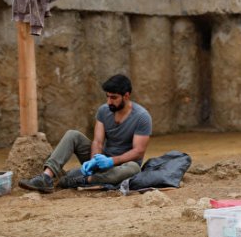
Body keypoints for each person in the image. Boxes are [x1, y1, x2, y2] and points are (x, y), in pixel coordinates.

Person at [19, 74, 152, 193]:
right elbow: (97, 142)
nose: (109, 102)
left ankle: (82, 180)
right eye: (107, 97)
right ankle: (47, 177)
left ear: (126, 96)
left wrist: (111, 161)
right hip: (102, 161)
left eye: (114, 98)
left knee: (133, 169)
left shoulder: (142, 117)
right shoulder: (103, 111)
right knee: (72, 135)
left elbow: (138, 151)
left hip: (124, 166)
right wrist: (94, 160)